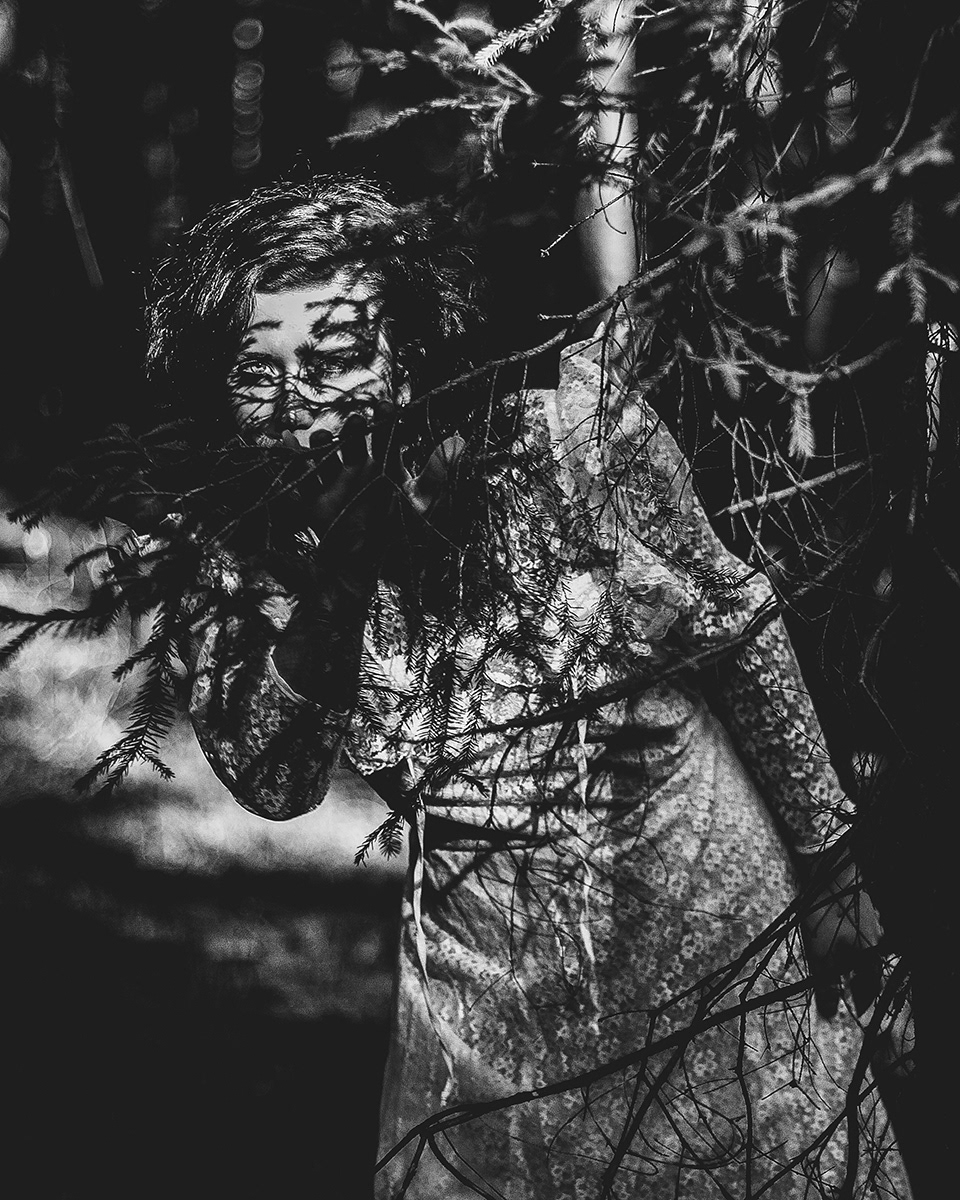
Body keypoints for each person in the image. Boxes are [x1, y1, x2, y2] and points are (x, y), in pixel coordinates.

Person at [145, 175, 911, 1199]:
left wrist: (831, 869)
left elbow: (738, 628)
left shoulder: (564, 438)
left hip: (698, 912)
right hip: (480, 984)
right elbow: (271, 778)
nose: (301, 406)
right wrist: (339, 580)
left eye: (335, 358)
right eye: (257, 371)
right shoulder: (235, 547)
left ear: (409, 350)